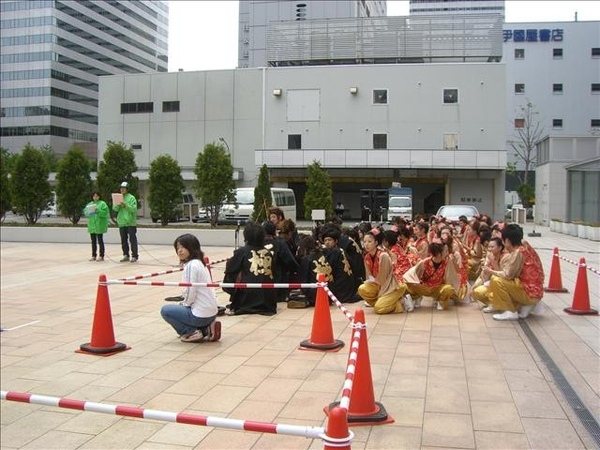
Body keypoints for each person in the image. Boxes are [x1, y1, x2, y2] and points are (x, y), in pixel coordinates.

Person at [160, 234, 221, 343]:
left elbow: (190, 292)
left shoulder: (191, 265)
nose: (179, 251)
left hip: (200, 315)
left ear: (192, 247)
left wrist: (184, 304)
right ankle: (207, 329)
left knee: (166, 311)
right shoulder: (200, 263)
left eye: (183, 247)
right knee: (182, 308)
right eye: (177, 248)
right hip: (212, 312)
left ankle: (190, 332)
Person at [485, 223, 545, 320]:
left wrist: (490, 271)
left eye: (503, 241)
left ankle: (510, 311)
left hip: (529, 293)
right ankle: (526, 306)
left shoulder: (517, 253)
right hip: (537, 292)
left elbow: (507, 275)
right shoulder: (525, 245)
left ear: (507, 241)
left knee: (496, 280)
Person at [223, 222, 278, 315]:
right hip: (268, 300)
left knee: (232, 272)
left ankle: (238, 300)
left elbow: (230, 271)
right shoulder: (268, 253)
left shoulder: (241, 252)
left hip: (246, 297)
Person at [358, 229, 407, 314]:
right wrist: (371, 283)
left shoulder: (383, 255)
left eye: (369, 241)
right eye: (364, 241)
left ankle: (400, 302)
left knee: (379, 309)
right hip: (379, 284)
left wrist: (379, 293)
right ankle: (383, 302)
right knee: (362, 289)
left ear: (376, 243)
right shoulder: (367, 257)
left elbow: (384, 278)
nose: (366, 244)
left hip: (392, 285)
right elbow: (369, 277)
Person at [403, 240, 456, 311]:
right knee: (411, 285)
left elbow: (450, 278)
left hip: (437, 288)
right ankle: (416, 297)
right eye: (446, 251)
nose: (447, 253)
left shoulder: (447, 263)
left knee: (449, 288)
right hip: (424, 287)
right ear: (438, 254)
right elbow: (414, 275)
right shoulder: (424, 262)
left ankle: (440, 302)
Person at [112, 181, 139, 262]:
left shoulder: (131, 198)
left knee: (132, 239)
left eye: (124, 188)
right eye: (121, 188)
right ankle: (126, 255)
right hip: (122, 222)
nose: (122, 190)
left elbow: (133, 209)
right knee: (123, 240)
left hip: (130, 222)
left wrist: (125, 205)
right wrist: (118, 205)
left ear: (127, 189)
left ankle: (134, 256)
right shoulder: (118, 197)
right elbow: (115, 209)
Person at [83, 191, 109, 261]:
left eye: (96, 196)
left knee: (100, 241)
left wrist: (98, 211)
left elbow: (105, 213)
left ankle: (101, 255)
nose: (95, 197)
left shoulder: (102, 204)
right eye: (94, 196)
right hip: (92, 225)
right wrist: (90, 212)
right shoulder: (90, 204)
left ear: (99, 197)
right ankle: (93, 255)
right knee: (93, 241)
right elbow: (85, 212)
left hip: (99, 225)